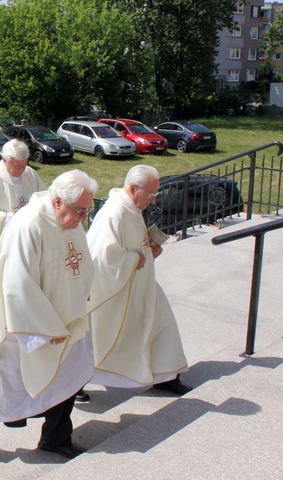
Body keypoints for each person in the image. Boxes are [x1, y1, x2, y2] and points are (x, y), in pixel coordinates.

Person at [0, 170, 97, 460]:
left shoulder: (70, 220)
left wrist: (79, 300)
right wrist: (47, 328)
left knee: (71, 376)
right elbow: (18, 284)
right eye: (80, 210)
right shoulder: (29, 225)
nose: (83, 216)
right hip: (29, 323)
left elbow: (80, 261)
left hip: (66, 319)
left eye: (88, 209)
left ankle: (56, 439)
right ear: (58, 201)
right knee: (10, 384)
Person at [86, 165, 191, 395]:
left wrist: (149, 250)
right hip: (120, 289)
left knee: (162, 321)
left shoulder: (131, 207)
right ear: (133, 188)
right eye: (151, 195)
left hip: (141, 283)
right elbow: (102, 256)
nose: (153, 201)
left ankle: (166, 374)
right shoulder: (115, 212)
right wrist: (135, 258)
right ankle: (78, 381)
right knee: (101, 339)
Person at [0, 139, 46, 307]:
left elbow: (44, 199)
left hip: (29, 242)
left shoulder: (30, 174)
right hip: (3, 244)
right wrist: (13, 217)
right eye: (17, 165)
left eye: (24, 164)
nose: (21, 169)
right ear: (4, 160)